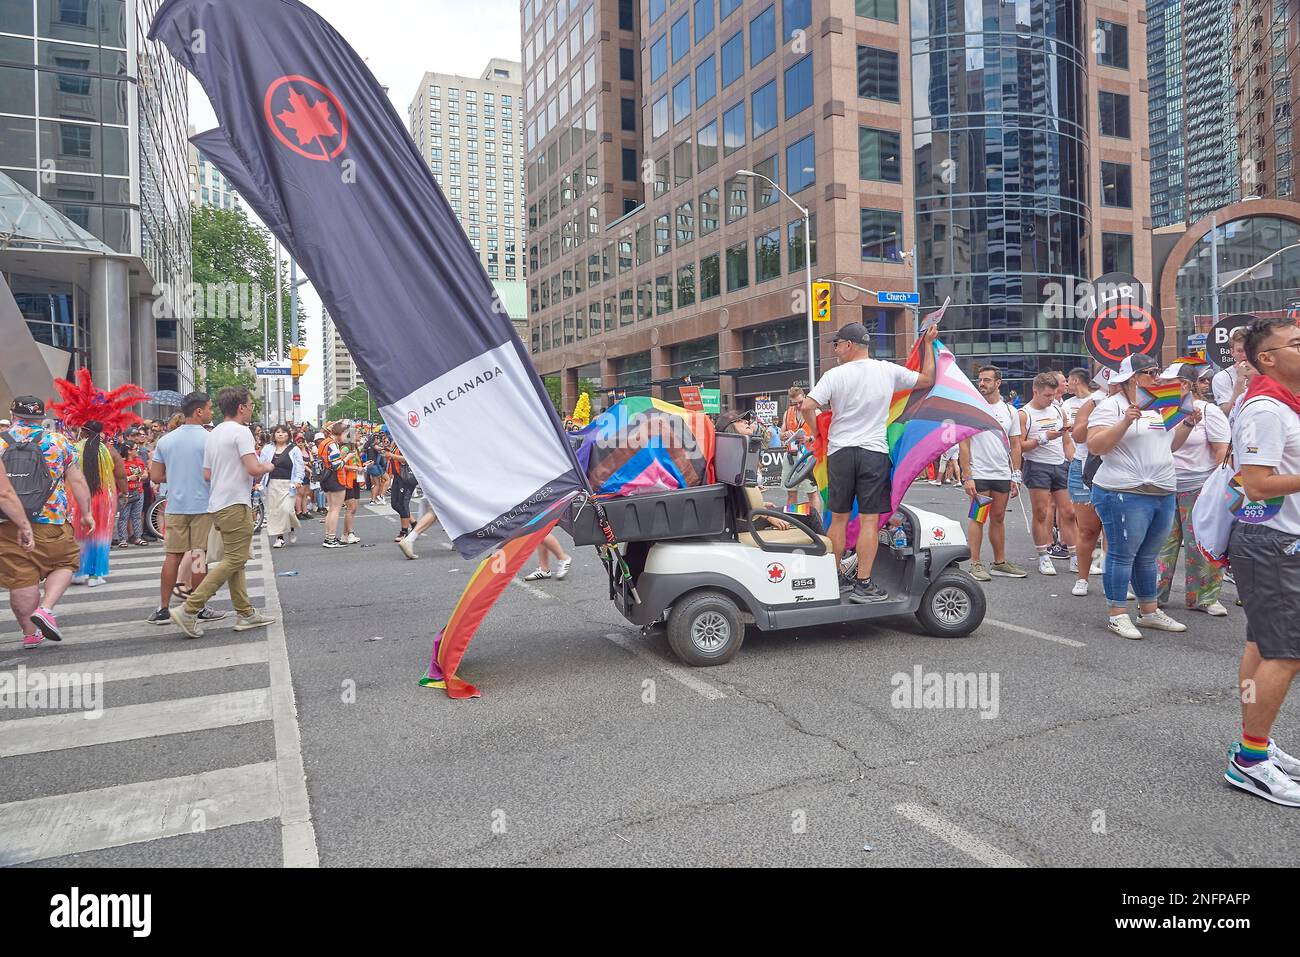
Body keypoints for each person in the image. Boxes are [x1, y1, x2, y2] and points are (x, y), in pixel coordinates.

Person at [802, 320, 939, 603]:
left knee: (837, 518)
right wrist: (927, 345)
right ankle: (863, 583)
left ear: (850, 345)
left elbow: (807, 406)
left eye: (838, 344)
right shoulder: (886, 370)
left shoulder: (833, 375)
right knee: (869, 520)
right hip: (873, 452)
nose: (836, 350)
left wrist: (816, 432)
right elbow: (927, 380)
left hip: (840, 453)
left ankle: (834, 577)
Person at [1222, 315, 1300, 805]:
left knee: (1262, 643)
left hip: (1277, 540)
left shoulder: (1286, 405)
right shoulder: (1268, 409)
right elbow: (1256, 484)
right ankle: (1249, 762)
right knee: (1286, 654)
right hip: (1272, 543)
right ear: (1267, 358)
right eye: (1297, 343)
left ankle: (1256, 741)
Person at [1085, 353, 1187, 640]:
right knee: (1121, 554)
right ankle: (1117, 614)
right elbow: (1095, 446)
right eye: (1151, 373)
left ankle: (1149, 611)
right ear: (1132, 379)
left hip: (1162, 490)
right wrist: (1125, 422)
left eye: (1157, 372)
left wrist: (1188, 425)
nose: (1157, 378)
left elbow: (1171, 445)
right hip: (1123, 491)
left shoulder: (1161, 405)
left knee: (1148, 556)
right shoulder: (1110, 406)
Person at [170, 387, 276, 638]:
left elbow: (207, 474)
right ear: (241, 407)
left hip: (217, 503)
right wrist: (270, 465)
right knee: (235, 560)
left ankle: (245, 613)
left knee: (235, 560)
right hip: (235, 503)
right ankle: (189, 608)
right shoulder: (242, 432)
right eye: (250, 405)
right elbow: (253, 468)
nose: (251, 409)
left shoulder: (214, 433)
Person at [0, 396, 93, 648]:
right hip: (51, 519)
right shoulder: (58, 441)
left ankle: (30, 633)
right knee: (65, 561)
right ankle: (46, 609)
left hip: (7, 522)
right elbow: (78, 481)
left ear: (13, 413)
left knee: (21, 577)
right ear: (42, 416)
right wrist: (86, 513)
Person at [1156, 364, 1231, 616]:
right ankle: (1152, 595)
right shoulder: (1161, 410)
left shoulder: (1209, 412)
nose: (1161, 386)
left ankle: (1205, 598)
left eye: (1168, 382)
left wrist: (1220, 487)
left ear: (1185, 385)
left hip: (1199, 487)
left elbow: (1222, 451)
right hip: (1164, 486)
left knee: (1200, 544)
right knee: (1160, 544)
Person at [147, 391, 225, 626]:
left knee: (172, 556)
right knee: (199, 556)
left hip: (175, 505)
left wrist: (178, 475)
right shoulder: (210, 439)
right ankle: (198, 606)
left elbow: (156, 476)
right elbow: (217, 474)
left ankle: (162, 608)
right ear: (199, 411)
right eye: (210, 408)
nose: (211, 413)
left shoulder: (166, 440)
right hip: (203, 506)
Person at [958, 365, 1027, 580]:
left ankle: (999, 562)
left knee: (998, 518)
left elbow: (1016, 445)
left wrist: (1016, 474)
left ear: (998, 383)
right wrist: (967, 475)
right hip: (979, 475)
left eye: (987, 380)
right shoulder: (971, 408)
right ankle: (975, 564)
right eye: (980, 380)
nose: (982, 384)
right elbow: (964, 445)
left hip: (1002, 475)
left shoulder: (1010, 411)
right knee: (978, 518)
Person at [1018, 372, 1078, 575]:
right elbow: (1019, 447)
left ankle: (1074, 556)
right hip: (1037, 465)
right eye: (1047, 395)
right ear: (1035, 391)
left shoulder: (1058, 410)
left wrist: (1075, 462)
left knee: (1069, 512)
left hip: (1059, 463)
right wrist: (1043, 438)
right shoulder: (1025, 414)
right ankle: (1043, 555)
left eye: (1053, 395)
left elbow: (1066, 440)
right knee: (1042, 512)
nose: (1051, 399)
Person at [1066, 367, 1114, 596]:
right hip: (1086, 468)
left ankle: (1111, 581)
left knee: (1112, 532)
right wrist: (1097, 413)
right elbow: (1077, 436)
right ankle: (1082, 578)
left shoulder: (1138, 402)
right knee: (1087, 530)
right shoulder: (1093, 402)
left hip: (1117, 470)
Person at [73, 422, 125, 584]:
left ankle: (77, 572)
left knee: (79, 534)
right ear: (101, 433)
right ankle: (95, 576)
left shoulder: (74, 448)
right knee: (100, 535)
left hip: (78, 498)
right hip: (103, 499)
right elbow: (121, 475)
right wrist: (124, 492)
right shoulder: (110, 450)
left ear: (82, 432)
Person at [259, 424, 303, 549]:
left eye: (283, 432)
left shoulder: (294, 449)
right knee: (275, 512)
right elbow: (261, 466)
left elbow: (299, 467)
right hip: (272, 483)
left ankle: (291, 528)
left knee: (287, 510)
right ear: (274, 435)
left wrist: (298, 480)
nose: (280, 434)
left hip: (289, 484)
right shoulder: (267, 449)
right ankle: (280, 537)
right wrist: (259, 481)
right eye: (278, 432)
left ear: (288, 435)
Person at [778, 386, 819, 513]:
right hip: (791, 455)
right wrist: (785, 434)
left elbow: (823, 435)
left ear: (805, 397)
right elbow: (781, 434)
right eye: (794, 403)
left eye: (800, 402)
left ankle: (815, 521)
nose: (798, 406)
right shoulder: (788, 413)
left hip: (807, 456)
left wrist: (809, 438)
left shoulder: (815, 412)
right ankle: (792, 520)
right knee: (791, 492)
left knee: (811, 492)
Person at [318, 423, 350, 548]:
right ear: (340, 433)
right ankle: (330, 539)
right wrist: (347, 458)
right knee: (335, 510)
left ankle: (328, 537)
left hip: (325, 478)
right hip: (335, 478)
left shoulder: (324, 443)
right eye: (346, 434)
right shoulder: (333, 445)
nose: (347, 437)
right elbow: (337, 465)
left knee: (331, 509)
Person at [1213, 327, 1256, 416]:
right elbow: (1225, 413)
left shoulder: (1266, 372)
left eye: (1249, 350)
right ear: (1232, 352)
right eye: (1240, 351)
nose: (1245, 355)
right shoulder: (1222, 377)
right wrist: (1239, 384)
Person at [115, 435, 149, 547]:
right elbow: (117, 477)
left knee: (137, 515)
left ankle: (138, 537)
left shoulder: (139, 461)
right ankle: (122, 539)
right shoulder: (121, 462)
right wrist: (129, 478)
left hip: (139, 491)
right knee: (124, 516)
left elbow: (145, 473)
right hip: (126, 492)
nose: (137, 450)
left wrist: (142, 476)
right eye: (135, 449)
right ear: (129, 451)